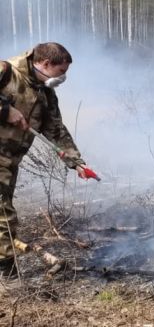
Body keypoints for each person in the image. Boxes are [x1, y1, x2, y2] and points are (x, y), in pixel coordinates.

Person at [0, 43, 91, 288]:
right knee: (3, 215)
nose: (63, 78)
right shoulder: (6, 72)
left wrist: (76, 162)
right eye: (60, 72)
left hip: (9, 161)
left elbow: (55, 130)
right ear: (45, 64)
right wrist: (5, 109)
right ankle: (8, 278)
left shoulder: (44, 92)